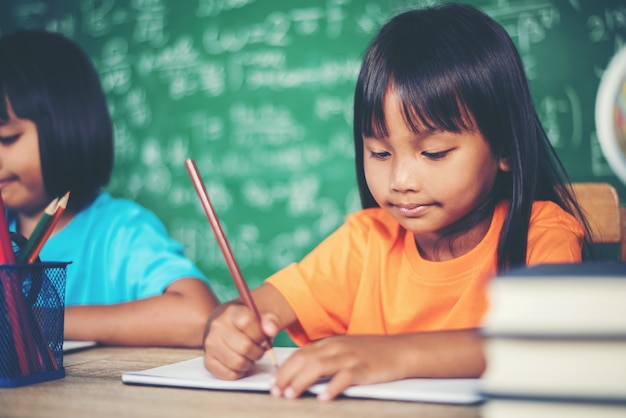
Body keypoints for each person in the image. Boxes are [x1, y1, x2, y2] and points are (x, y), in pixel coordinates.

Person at [201, 3, 593, 400]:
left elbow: (542, 341)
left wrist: (389, 356)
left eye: (435, 153)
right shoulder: (365, 241)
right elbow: (251, 309)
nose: (400, 181)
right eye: (380, 153)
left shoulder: (541, 233)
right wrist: (228, 328)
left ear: (505, 147)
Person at [0, 29, 219, 347]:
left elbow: (198, 316)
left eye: (7, 139)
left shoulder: (120, 231)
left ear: (65, 128)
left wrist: (36, 319)